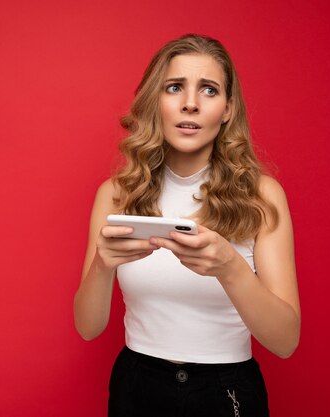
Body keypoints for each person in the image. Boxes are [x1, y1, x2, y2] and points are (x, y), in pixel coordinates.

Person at [73, 34, 300, 417]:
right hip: (137, 387)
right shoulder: (115, 194)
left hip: (227, 390)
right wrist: (102, 264)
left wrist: (230, 268)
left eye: (209, 90)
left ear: (228, 108)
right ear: (155, 101)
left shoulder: (262, 196)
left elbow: (285, 341)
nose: (190, 103)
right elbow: (88, 327)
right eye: (175, 87)